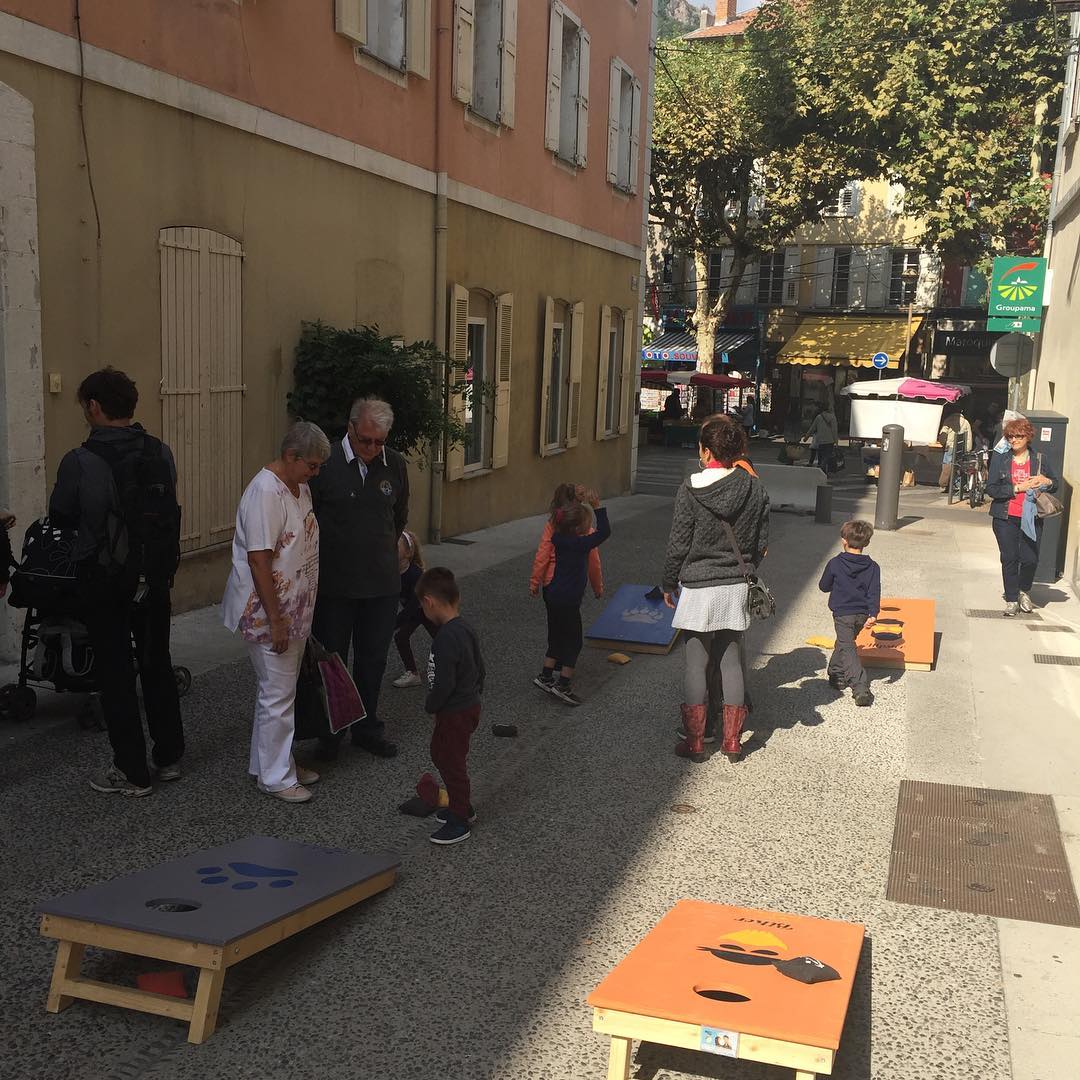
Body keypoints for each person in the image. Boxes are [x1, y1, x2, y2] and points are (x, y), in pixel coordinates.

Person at [48, 368, 184, 798]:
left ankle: (132, 771)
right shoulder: (159, 451)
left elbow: (62, 516)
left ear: (93, 407)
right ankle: (169, 757)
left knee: (116, 674)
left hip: (105, 578)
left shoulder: (80, 461)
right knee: (156, 663)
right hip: (155, 575)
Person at [222, 421, 330, 802]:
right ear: (291, 456)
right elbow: (258, 561)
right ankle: (276, 777)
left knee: (278, 691)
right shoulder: (265, 492)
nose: (315, 473)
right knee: (278, 694)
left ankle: (271, 762)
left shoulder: (297, 487)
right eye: (312, 466)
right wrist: (277, 619)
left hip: (293, 607)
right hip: (270, 611)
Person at [663, 415, 770, 763]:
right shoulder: (754, 486)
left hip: (697, 584)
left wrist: (668, 581)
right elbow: (760, 542)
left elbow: (679, 543)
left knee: (696, 664)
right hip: (735, 584)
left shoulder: (691, 488)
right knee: (732, 663)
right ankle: (733, 742)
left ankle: (695, 741)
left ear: (706, 451)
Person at [309, 396, 409, 760]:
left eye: (379, 441)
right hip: (335, 585)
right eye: (365, 439)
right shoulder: (327, 464)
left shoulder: (394, 464)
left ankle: (367, 728)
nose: (371, 448)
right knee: (332, 660)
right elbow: (310, 519)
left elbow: (398, 517)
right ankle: (331, 733)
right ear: (350, 428)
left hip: (381, 585)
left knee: (373, 659)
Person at [417, 567, 485, 846]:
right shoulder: (464, 627)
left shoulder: (446, 638)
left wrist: (432, 706)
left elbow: (444, 683)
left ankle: (460, 816)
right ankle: (460, 803)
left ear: (429, 602)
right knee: (442, 754)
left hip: (454, 711)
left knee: (452, 762)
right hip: (464, 707)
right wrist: (475, 694)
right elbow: (481, 668)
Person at [533, 490, 611, 706]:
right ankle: (563, 684)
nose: (590, 529)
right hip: (569, 600)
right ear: (578, 529)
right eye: (587, 526)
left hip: (553, 594)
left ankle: (546, 676)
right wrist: (597, 507)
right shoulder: (580, 544)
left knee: (557, 636)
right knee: (574, 641)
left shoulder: (558, 538)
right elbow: (605, 532)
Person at [985, 417, 1058, 617]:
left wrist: (1047, 480)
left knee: (1030, 559)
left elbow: (1056, 484)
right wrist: (1017, 487)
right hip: (1005, 517)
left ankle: (1023, 590)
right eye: (1010, 437)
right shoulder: (1001, 459)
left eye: (1019, 436)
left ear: (1028, 437)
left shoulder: (1039, 459)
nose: (1014, 440)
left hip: (1032, 517)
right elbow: (991, 488)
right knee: (1009, 558)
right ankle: (1011, 599)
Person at [818, 520, 880, 707]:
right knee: (846, 644)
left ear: (844, 540)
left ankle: (860, 687)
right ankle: (836, 672)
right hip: (862, 614)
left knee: (848, 647)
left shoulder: (835, 563)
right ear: (866, 543)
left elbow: (823, 586)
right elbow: (874, 591)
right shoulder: (873, 567)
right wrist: (873, 613)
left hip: (842, 613)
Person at [530, 483, 604, 603]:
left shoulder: (552, 525)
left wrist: (535, 582)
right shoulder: (585, 528)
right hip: (574, 585)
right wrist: (597, 587)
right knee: (572, 618)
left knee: (554, 620)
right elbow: (593, 562)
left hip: (551, 583)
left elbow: (542, 555)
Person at [391, 530, 437, 688]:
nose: (391, 548)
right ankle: (413, 673)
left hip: (429, 612)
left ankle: (456, 667)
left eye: (396, 546)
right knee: (401, 637)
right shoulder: (391, 573)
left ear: (408, 553)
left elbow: (412, 606)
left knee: (442, 639)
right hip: (417, 613)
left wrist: (394, 623)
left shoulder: (415, 575)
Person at [938, 406, 972, 491]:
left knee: (947, 465)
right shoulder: (966, 422)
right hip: (960, 447)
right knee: (958, 466)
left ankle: (944, 484)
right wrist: (968, 449)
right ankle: (957, 484)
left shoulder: (948, 420)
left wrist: (943, 444)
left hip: (950, 447)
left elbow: (943, 434)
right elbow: (969, 437)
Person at [803, 404, 838, 473]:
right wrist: (836, 441)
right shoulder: (833, 417)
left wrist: (806, 437)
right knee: (827, 456)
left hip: (820, 441)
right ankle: (822, 468)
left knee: (821, 457)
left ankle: (822, 470)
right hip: (830, 441)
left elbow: (812, 428)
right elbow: (834, 431)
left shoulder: (818, 417)